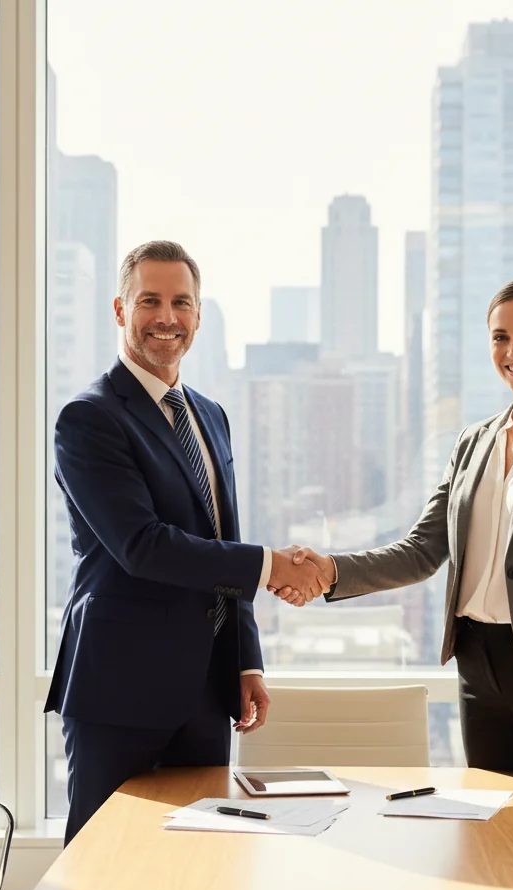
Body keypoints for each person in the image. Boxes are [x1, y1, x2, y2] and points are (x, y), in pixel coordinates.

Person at [273, 277, 513, 864]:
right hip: (478, 667)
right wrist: (331, 570)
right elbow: (421, 550)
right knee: (495, 837)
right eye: (500, 338)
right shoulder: (473, 443)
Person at [47, 240, 331, 844]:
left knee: (200, 864)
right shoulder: (90, 418)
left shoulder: (210, 413)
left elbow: (222, 540)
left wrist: (245, 657)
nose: (167, 318)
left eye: (182, 302)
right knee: (105, 864)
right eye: (150, 300)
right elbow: (143, 546)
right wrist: (274, 565)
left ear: (198, 315)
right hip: (118, 690)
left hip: (205, 690)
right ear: (121, 311)